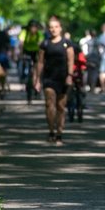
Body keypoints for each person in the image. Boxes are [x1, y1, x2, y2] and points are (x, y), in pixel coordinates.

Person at [34, 15, 76, 146]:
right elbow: (40, 62)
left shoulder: (67, 43)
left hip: (63, 78)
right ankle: (51, 131)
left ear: (60, 28)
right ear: (48, 29)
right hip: (49, 78)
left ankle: (59, 134)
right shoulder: (44, 44)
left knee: (61, 107)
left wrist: (69, 76)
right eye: (51, 27)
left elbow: (71, 61)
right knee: (49, 104)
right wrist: (37, 80)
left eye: (56, 27)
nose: (53, 30)